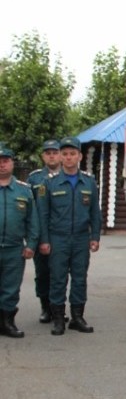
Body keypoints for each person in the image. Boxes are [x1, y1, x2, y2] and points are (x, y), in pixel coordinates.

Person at [37, 136, 101, 335]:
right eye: (64, 154)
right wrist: (45, 240)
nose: (68, 157)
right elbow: (43, 215)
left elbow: (94, 213)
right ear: (61, 157)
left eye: (72, 153)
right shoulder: (50, 184)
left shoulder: (88, 183)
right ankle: (58, 319)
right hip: (58, 238)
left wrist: (95, 236)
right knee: (57, 279)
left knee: (80, 278)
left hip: (81, 238)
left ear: (80, 156)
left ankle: (77, 317)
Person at [0, 145, 39, 338]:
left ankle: (7, 323)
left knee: (10, 288)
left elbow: (33, 220)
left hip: (14, 249)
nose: (2, 165)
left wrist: (31, 244)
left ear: (12, 163)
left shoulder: (24, 191)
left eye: (5, 160)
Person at [26, 139, 62, 323]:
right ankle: (45, 307)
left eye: (54, 152)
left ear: (60, 154)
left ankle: (58, 308)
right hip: (40, 235)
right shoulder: (34, 178)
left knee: (60, 274)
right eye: (48, 153)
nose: (51, 156)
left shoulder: (67, 176)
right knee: (42, 274)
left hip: (61, 235)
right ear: (43, 156)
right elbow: (28, 209)